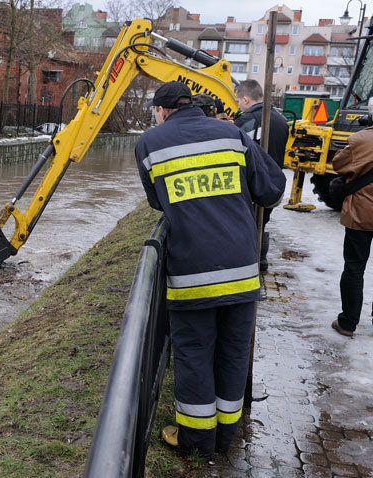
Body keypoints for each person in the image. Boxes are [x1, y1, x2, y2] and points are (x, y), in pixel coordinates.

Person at [135, 82, 286, 458]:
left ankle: (196, 440)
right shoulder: (231, 133)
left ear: (162, 110)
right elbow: (271, 189)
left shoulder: (149, 143)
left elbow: (157, 201)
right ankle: (225, 437)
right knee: (233, 352)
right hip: (241, 269)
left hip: (192, 275)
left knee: (194, 353)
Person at [234, 79, 290, 272]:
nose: (239, 105)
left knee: (246, 228)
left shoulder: (247, 120)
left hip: (251, 185)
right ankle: (261, 262)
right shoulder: (280, 120)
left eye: (239, 101)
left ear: (246, 99)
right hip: (273, 184)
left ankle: (250, 266)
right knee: (261, 223)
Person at [330, 98, 373, 337]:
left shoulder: (360, 140)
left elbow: (339, 164)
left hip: (361, 214)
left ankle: (348, 322)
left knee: (355, 267)